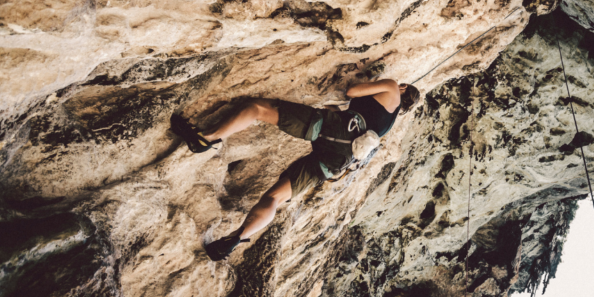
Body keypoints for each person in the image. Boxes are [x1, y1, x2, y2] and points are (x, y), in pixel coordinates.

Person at [170, 80, 420, 261]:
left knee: (257, 108)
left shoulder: (391, 87)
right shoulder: (387, 123)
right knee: (274, 198)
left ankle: (208, 138)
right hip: (335, 163)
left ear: (405, 89)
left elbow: (352, 90)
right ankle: (234, 240)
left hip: (333, 132)